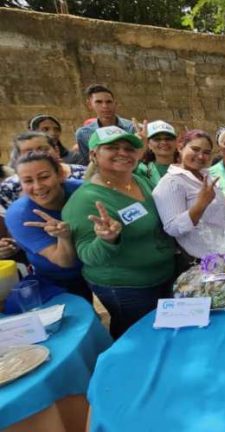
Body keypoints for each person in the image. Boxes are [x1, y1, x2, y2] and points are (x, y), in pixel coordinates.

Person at [63, 126, 176, 338]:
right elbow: (87, 255)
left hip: (162, 277)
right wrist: (107, 239)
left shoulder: (138, 180)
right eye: (113, 148)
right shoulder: (85, 200)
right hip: (128, 288)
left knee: (164, 337)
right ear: (94, 154)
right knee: (138, 341)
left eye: (129, 148)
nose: (123, 153)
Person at [5, 151, 91, 301]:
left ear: (60, 174)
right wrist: (63, 237)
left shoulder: (82, 191)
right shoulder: (20, 216)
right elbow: (64, 262)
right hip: (60, 279)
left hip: (98, 265)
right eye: (28, 181)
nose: (37, 186)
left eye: (44, 177)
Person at [153, 130, 225, 268]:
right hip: (199, 262)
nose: (201, 156)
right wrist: (201, 205)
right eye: (195, 149)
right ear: (180, 147)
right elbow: (172, 228)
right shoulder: (171, 182)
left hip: (224, 255)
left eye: (206, 152)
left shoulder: (206, 176)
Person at [1, 132, 87, 210]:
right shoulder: (9, 187)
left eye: (43, 149)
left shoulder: (84, 175)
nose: (37, 155)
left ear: (56, 150)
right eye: (29, 152)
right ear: (18, 157)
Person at [74, 84, 135, 162]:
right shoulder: (83, 134)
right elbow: (87, 164)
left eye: (109, 102)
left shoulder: (131, 128)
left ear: (115, 104)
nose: (105, 106)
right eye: (98, 102)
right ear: (90, 105)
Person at [136, 120, 177, 187]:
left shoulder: (187, 167)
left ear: (176, 142)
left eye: (168, 139)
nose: (164, 142)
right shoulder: (143, 170)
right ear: (148, 144)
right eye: (157, 139)